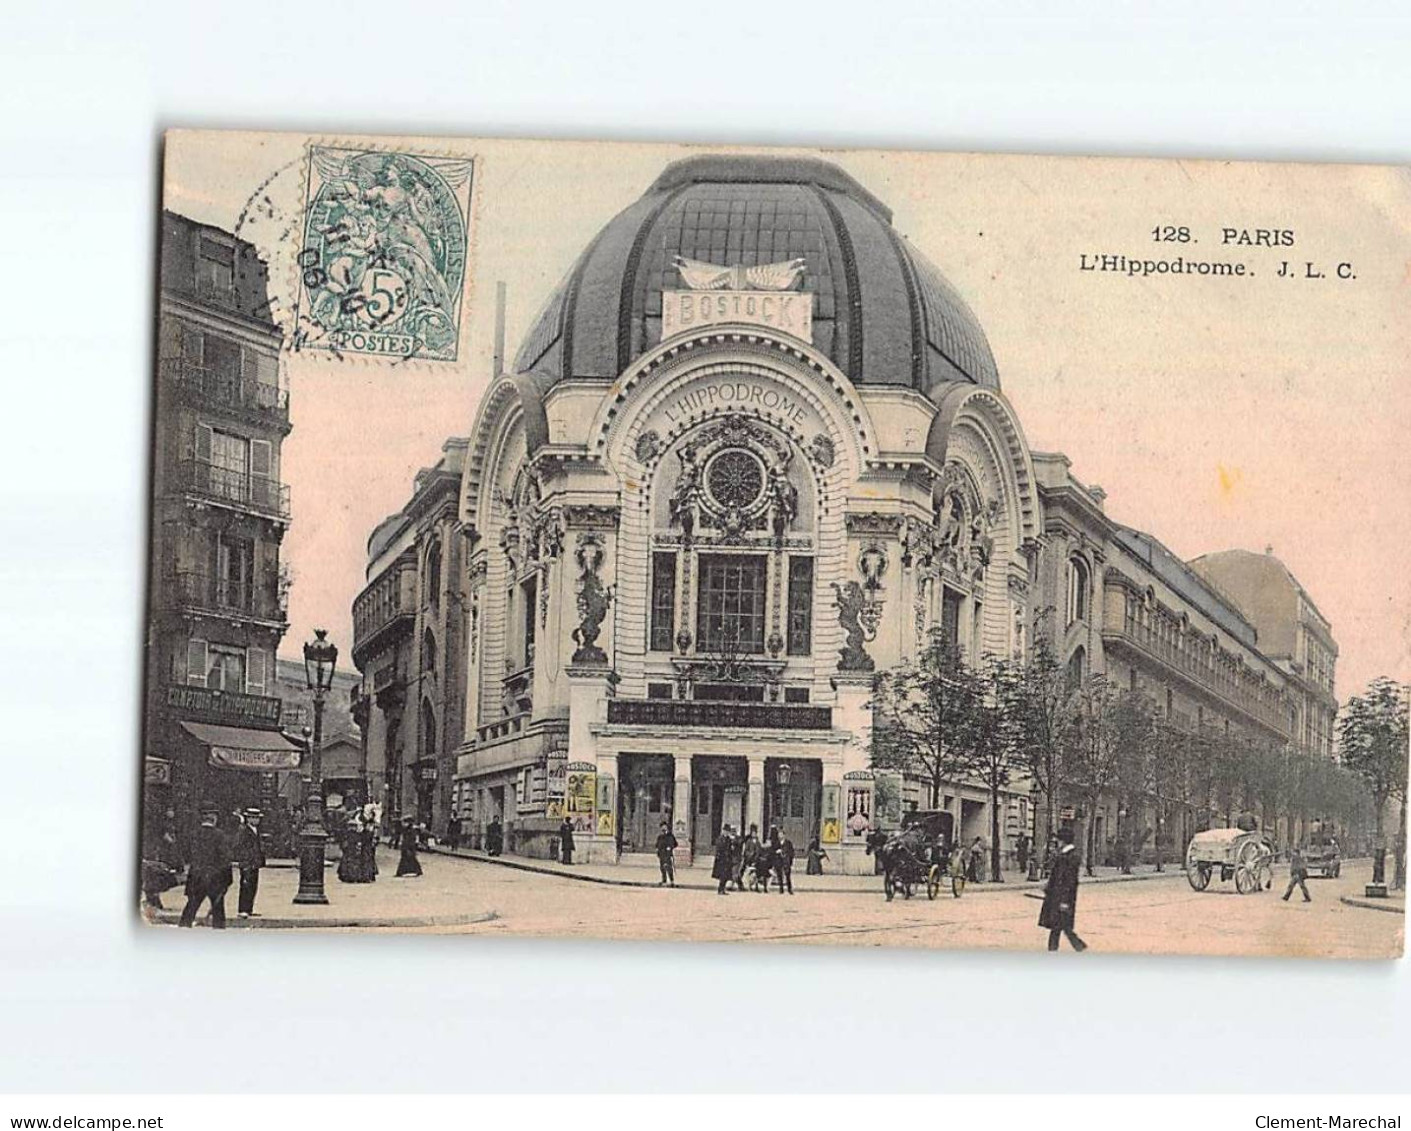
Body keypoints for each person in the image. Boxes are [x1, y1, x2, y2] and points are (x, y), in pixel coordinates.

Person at [179, 804, 233, 929]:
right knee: (218, 910)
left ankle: (183, 929)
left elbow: (186, 853)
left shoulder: (194, 834)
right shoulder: (220, 835)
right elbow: (225, 858)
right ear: (214, 818)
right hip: (215, 877)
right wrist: (227, 879)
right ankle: (218, 933)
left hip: (197, 876)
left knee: (191, 906)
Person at [1038, 826, 1087, 951]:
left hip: (1061, 898)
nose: (1057, 843)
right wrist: (1048, 886)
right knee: (1060, 926)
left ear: (1063, 841)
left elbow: (1069, 882)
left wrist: (1064, 901)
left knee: (1058, 926)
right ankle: (1078, 946)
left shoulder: (1070, 857)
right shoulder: (1065, 855)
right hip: (1056, 897)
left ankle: (1072, 948)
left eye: (1058, 840)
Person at [232, 807, 266, 918]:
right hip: (247, 863)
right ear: (249, 818)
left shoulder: (255, 830)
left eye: (258, 818)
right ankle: (243, 909)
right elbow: (238, 846)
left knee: (253, 886)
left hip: (254, 862)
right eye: (255, 818)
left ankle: (249, 909)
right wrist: (245, 860)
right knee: (246, 885)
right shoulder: (243, 830)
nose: (257, 820)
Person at [712, 825, 737, 895]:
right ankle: (720, 889)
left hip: (728, 860)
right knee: (722, 875)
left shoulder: (729, 839)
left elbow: (731, 848)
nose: (726, 832)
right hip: (721, 860)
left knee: (726, 876)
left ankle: (722, 889)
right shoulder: (720, 839)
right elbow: (719, 848)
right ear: (723, 831)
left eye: (727, 831)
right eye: (725, 831)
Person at [654, 821, 678, 886]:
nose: (663, 828)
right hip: (661, 854)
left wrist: (670, 847)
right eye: (662, 827)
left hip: (667, 854)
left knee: (669, 867)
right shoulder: (660, 837)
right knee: (662, 868)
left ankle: (671, 880)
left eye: (664, 827)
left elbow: (675, 844)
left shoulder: (670, 836)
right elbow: (657, 844)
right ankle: (664, 880)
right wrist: (657, 849)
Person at [737, 825, 760, 891]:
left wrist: (756, 858)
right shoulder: (748, 841)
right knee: (743, 871)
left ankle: (756, 886)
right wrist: (750, 855)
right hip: (748, 860)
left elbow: (759, 851)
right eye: (753, 833)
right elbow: (746, 851)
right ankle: (741, 885)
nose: (754, 834)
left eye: (755, 833)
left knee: (756, 873)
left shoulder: (758, 842)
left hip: (756, 860)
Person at [775, 829, 796, 895]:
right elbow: (773, 851)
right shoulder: (776, 843)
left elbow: (791, 852)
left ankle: (789, 889)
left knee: (787, 876)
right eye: (779, 835)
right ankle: (781, 889)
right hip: (779, 861)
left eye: (781, 834)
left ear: (784, 835)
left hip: (786, 861)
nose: (780, 836)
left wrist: (790, 860)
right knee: (779, 876)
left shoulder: (788, 843)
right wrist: (776, 852)